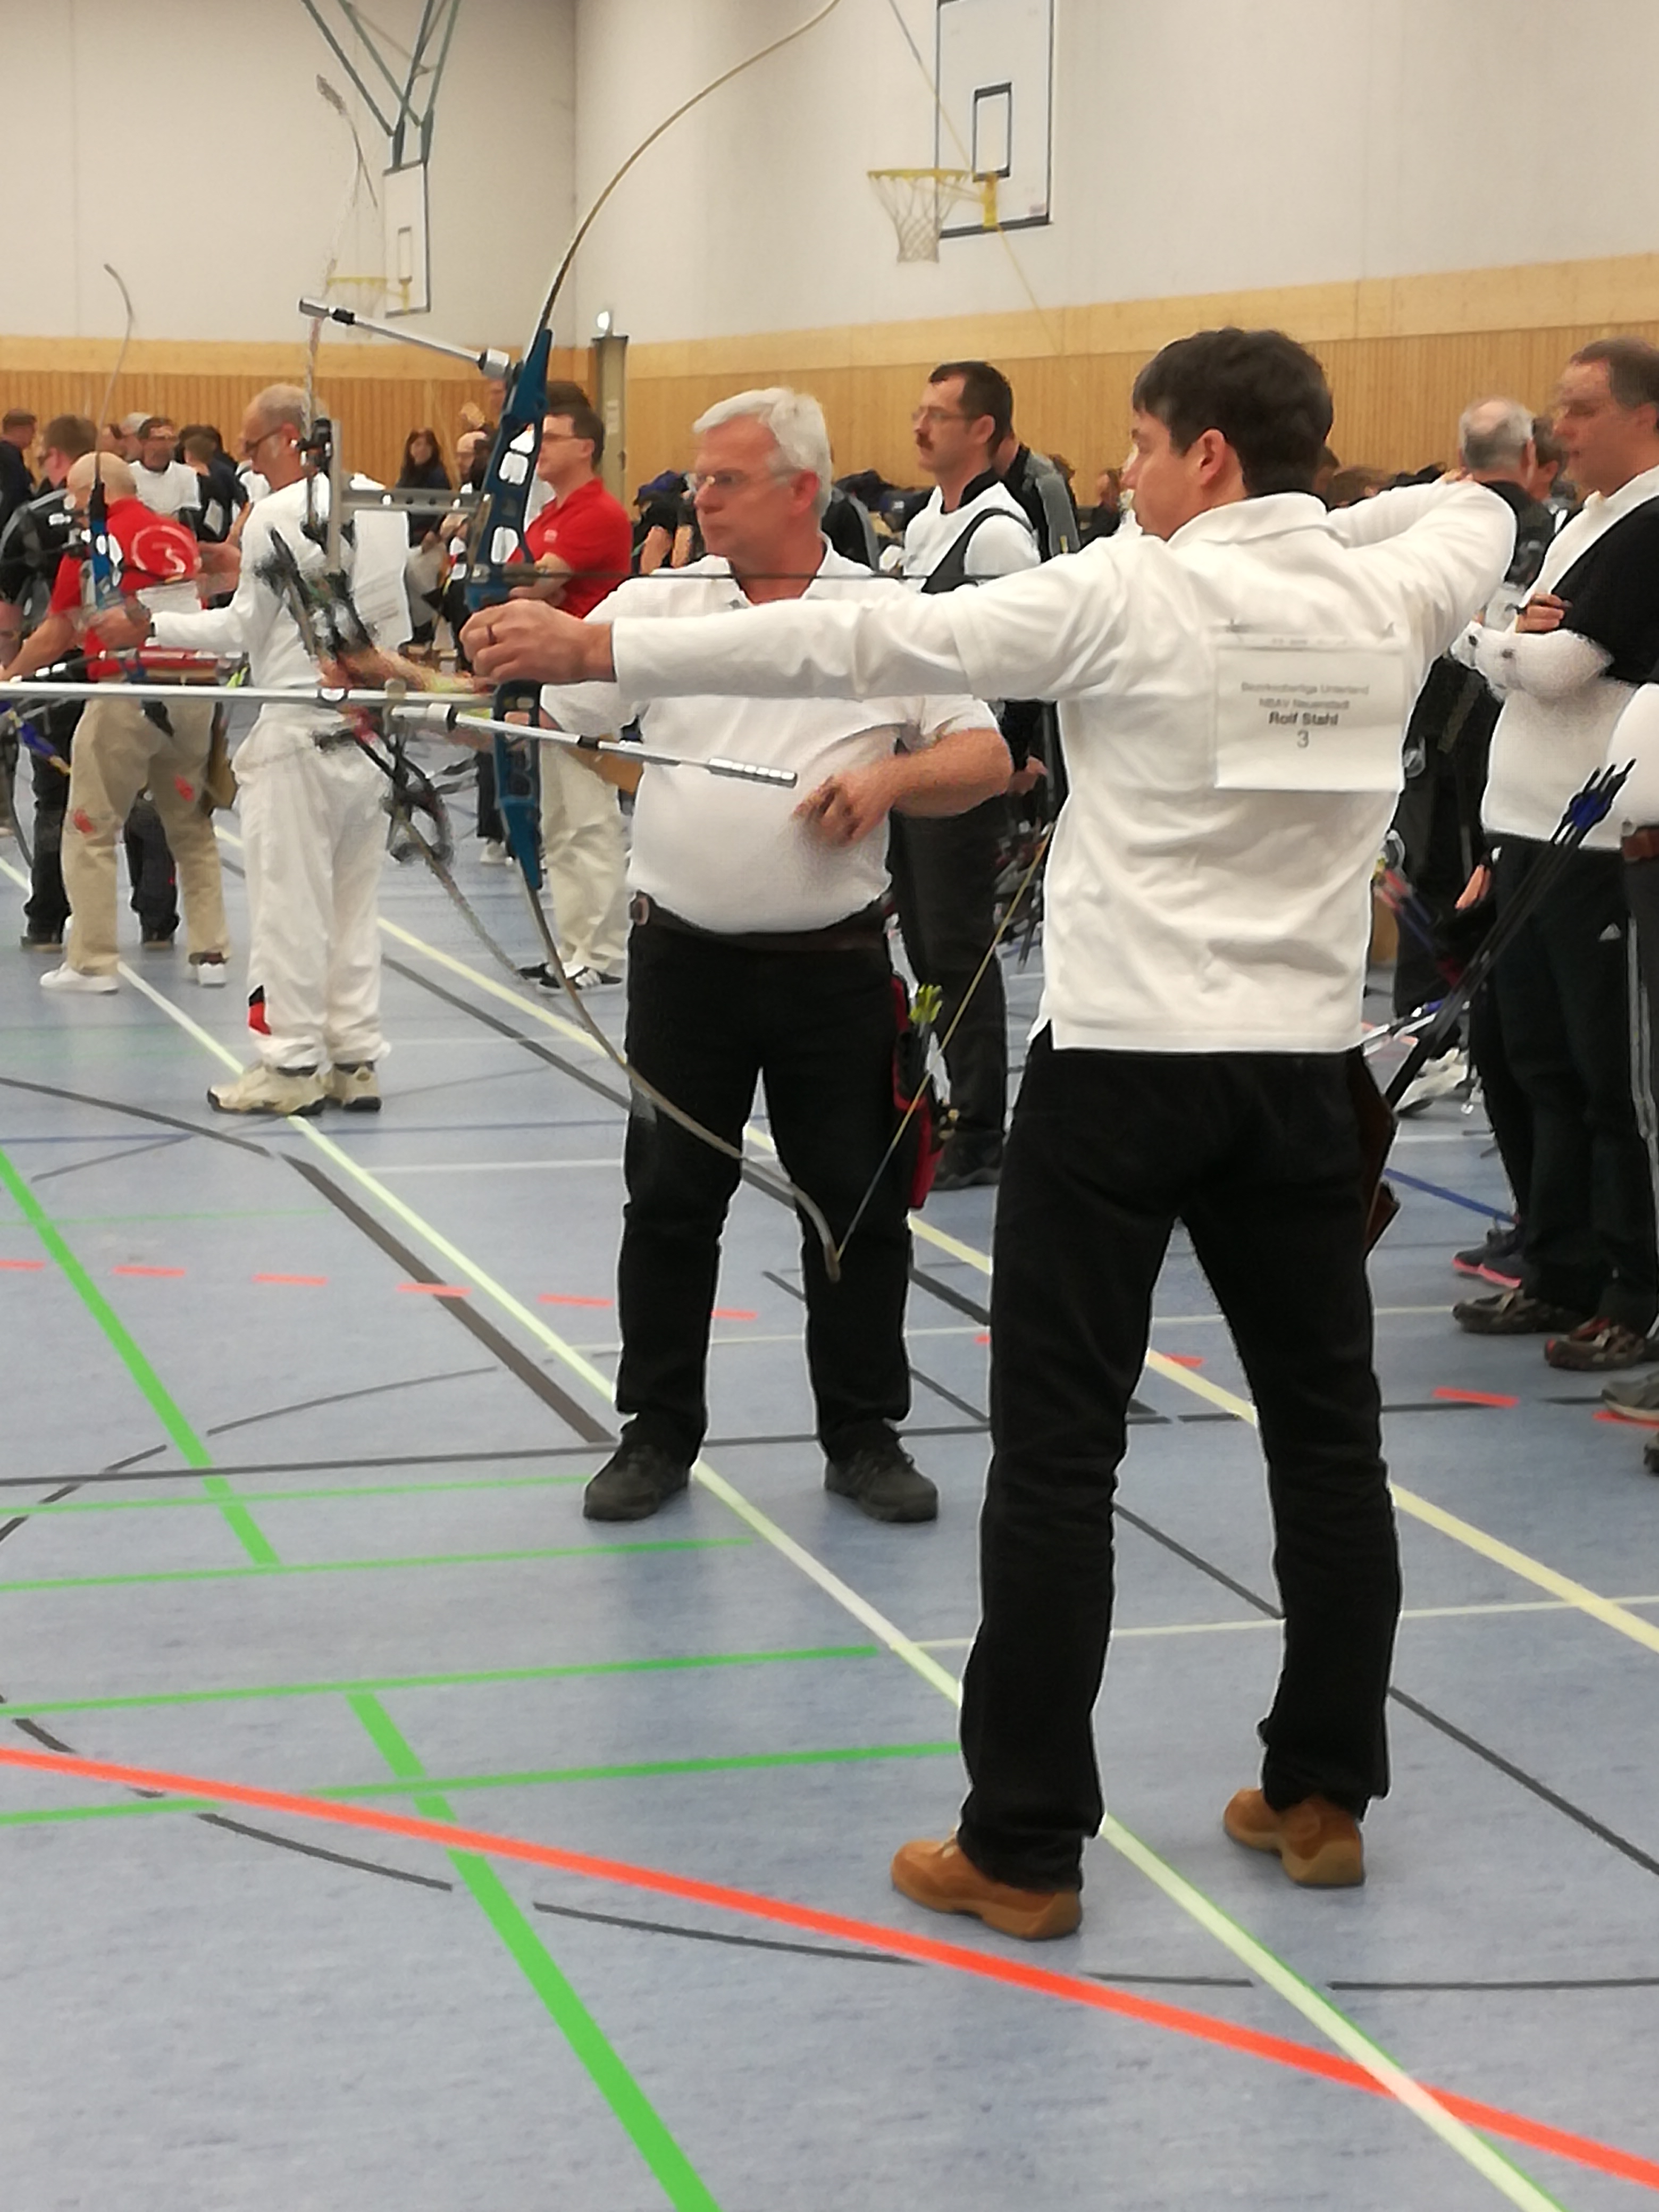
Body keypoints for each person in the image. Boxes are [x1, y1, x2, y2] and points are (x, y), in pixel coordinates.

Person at [469, 328, 1515, 1933]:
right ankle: (1319, 1792)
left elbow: (864, 634)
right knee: (1325, 1441)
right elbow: (1476, 507)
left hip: (1121, 1083)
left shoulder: (1124, 591)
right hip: (1301, 1085)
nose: (1122, 476)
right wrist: (1315, 525)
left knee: (1056, 1459)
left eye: (1143, 448)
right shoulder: (1394, 591)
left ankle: (1022, 1846)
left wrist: (597, 640)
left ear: (1206, 458)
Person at [468, 386, 1007, 1528]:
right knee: (670, 1203)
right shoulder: (660, 603)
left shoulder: (883, 614)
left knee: (854, 1206)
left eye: (726, 480)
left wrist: (888, 780)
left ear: (802, 490)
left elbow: (984, 756)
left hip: (834, 973)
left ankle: (864, 1433)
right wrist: (504, 647)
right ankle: (656, 1431)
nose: (698, 498)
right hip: (685, 968)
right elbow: (572, 711)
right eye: (698, 478)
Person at [97, 383, 410, 1112]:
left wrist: (150, 626)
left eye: (253, 445)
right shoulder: (383, 505)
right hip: (370, 738)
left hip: (299, 734)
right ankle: (354, 1057)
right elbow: (334, 590)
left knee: (289, 905)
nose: (245, 461)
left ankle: (292, 1065)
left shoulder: (276, 512)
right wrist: (243, 565)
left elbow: (243, 631)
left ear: (293, 439)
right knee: (353, 902)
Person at [1451, 339, 1659, 1371]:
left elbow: (1556, 666)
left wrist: (1470, 633)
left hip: (1597, 845)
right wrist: (1506, 640)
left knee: (1608, 1079)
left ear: (1647, 417)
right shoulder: (1587, 520)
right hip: (1525, 833)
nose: (1558, 429)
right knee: (1529, 1060)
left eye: (1580, 408)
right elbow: (1523, 650)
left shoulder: (1651, 527)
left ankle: (1632, 1292)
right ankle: (1558, 1265)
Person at [1389, 399, 1556, 1162]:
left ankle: (1445, 1033)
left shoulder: (1439, 520)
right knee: (1475, 885)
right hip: (1496, 732)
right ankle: (1467, 1040)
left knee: (1440, 878)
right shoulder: (1544, 529)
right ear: (1528, 457)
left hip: (1438, 727)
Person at [0, 453, 228, 993]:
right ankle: (211, 952)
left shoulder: (92, 543)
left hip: (129, 694)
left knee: (90, 824)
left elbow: (57, 632)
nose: (72, 507)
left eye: (75, 497)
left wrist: (8, 676)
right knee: (191, 825)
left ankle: (93, 962)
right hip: (194, 693)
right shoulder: (175, 534)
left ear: (91, 494)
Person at [892, 361, 1040, 1189]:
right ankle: (950, 1101)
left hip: (966, 769)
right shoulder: (927, 521)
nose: (920, 428)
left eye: (938, 416)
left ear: (982, 429)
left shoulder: (998, 533)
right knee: (924, 945)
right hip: (917, 766)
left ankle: (984, 1127)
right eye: (918, 413)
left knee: (957, 948)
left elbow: (1024, 657)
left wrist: (1011, 756)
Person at [516, 400, 634, 989]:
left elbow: (531, 585)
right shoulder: (547, 516)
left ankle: (604, 952)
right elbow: (511, 583)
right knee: (559, 825)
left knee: (589, 820)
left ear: (585, 447)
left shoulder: (599, 513)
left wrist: (535, 588)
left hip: (587, 685)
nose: (541, 450)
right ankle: (574, 946)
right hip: (547, 680)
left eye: (553, 439)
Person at [130, 418, 201, 525]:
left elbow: (191, 511)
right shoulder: (129, 474)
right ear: (144, 442)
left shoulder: (187, 474)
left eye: (171, 439)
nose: (167, 445)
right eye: (160, 439)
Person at [0, 410, 36, 539]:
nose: (33, 437)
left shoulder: (9, 454)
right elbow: (14, 494)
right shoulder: (8, 457)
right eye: (32, 432)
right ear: (21, 430)